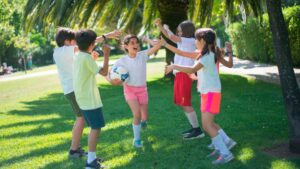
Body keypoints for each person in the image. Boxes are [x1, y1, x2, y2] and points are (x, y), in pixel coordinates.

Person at [164, 28, 234, 164]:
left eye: (196, 39)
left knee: (207, 125)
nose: (195, 42)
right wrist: (196, 78)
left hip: (211, 94)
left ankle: (226, 153)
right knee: (209, 124)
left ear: (202, 40)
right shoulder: (207, 54)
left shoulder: (207, 56)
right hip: (207, 93)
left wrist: (173, 67)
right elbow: (206, 73)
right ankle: (222, 147)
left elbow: (192, 69)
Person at [53, 27, 120, 163]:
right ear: (67, 41)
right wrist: (108, 36)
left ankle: (78, 149)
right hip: (76, 89)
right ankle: (75, 150)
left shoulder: (60, 52)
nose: (75, 44)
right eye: (73, 41)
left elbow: (86, 45)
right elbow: (87, 42)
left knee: (83, 119)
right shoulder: (66, 50)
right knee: (82, 119)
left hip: (73, 88)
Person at [108, 34, 163, 148]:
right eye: (132, 43)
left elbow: (158, 46)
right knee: (136, 114)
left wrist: (148, 39)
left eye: (137, 42)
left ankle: (144, 122)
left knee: (144, 116)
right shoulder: (121, 61)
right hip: (129, 90)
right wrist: (114, 80)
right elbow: (111, 73)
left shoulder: (143, 55)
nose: (135, 44)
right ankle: (136, 140)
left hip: (142, 89)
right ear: (126, 46)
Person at [155, 18, 204, 140]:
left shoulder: (189, 40)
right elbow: (169, 36)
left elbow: (171, 37)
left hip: (184, 73)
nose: (178, 33)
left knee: (185, 102)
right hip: (180, 73)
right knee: (182, 102)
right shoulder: (184, 41)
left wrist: (165, 27)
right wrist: (160, 26)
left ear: (186, 31)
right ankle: (194, 127)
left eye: (180, 31)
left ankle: (197, 130)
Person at [73, 29, 112, 169]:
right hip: (89, 99)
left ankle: (92, 158)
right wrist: (106, 55)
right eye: (95, 41)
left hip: (83, 98)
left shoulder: (80, 55)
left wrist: (93, 59)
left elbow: (86, 70)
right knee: (96, 128)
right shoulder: (86, 57)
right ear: (91, 44)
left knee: (94, 127)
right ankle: (90, 162)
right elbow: (104, 72)